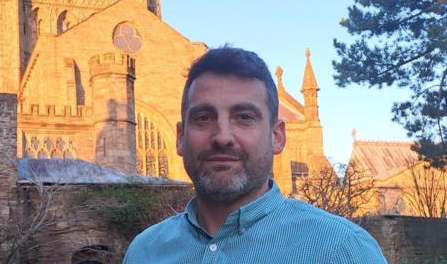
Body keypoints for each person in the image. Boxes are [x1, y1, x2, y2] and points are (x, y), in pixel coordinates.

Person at [123, 46, 387, 263]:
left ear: (277, 136)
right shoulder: (144, 252)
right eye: (203, 118)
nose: (222, 136)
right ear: (180, 137)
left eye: (244, 118)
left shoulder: (343, 250)